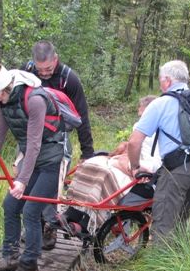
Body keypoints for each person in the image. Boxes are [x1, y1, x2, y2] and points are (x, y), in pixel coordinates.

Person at [0, 61, 65, 271]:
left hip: (51, 161)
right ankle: (11, 257)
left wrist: (22, 180)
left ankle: (30, 267)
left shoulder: (34, 99)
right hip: (32, 161)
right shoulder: (4, 102)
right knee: (11, 205)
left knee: (32, 211)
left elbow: (34, 144)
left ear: (5, 86)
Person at [127, 60, 190, 241]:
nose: (160, 84)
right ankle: (181, 262)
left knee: (164, 222)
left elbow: (134, 142)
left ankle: (161, 266)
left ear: (167, 80)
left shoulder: (160, 104)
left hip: (178, 170)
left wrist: (135, 167)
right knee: (181, 216)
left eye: (160, 80)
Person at [52, 95, 161, 236]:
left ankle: (86, 224)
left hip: (141, 171)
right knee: (89, 165)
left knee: (105, 175)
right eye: (139, 115)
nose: (141, 119)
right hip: (127, 160)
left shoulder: (160, 134)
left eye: (143, 115)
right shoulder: (140, 126)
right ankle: (71, 214)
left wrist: (132, 165)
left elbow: (156, 161)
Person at [22, 41, 95, 250]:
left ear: (56, 59)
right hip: (32, 135)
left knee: (52, 184)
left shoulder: (68, 78)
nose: (44, 74)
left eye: (48, 69)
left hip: (58, 136)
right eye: (40, 69)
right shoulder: (26, 72)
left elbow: (82, 115)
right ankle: (34, 225)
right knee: (27, 182)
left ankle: (49, 228)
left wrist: (87, 152)